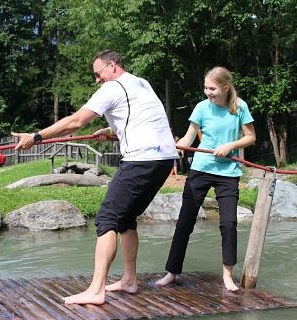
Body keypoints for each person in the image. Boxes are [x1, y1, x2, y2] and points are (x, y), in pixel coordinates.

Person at [12, 50, 177, 305]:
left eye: (98, 74)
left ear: (112, 66)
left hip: (141, 160)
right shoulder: (141, 83)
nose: (97, 80)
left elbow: (76, 121)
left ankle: (96, 290)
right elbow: (146, 119)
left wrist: (36, 137)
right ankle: (129, 280)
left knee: (106, 218)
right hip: (164, 159)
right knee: (126, 219)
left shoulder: (112, 88)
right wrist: (113, 130)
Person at [155, 66, 256, 291]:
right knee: (185, 222)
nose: (207, 92)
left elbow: (250, 137)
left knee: (229, 224)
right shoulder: (201, 107)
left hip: (228, 173)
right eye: (205, 88)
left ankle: (227, 276)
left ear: (225, 87)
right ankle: (171, 272)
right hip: (200, 169)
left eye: (212, 88)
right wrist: (174, 147)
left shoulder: (239, 107)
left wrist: (231, 145)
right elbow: (189, 138)